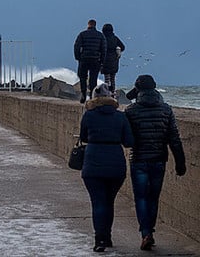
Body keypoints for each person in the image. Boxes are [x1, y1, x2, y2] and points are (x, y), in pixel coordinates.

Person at [124, 75, 186, 251]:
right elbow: (174, 138)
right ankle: (150, 229)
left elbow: (127, 139)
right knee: (153, 198)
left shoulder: (131, 110)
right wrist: (180, 162)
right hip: (159, 160)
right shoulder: (166, 109)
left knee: (141, 197)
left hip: (139, 160)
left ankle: (146, 233)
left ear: (138, 89)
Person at [79, 83, 134, 252]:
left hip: (93, 164)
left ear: (95, 98)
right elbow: (129, 142)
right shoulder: (120, 117)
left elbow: (83, 137)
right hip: (115, 165)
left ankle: (100, 240)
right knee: (109, 202)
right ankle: (107, 236)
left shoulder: (89, 115)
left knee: (98, 203)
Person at [74, 19, 107, 104]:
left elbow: (76, 46)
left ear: (88, 25)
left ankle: (83, 95)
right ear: (95, 25)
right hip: (95, 60)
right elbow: (103, 49)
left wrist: (78, 57)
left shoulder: (82, 34)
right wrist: (102, 61)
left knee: (82, 77)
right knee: (93, 79)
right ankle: (92, 96)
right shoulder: (100, 35)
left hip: (84, 59)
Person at [100, 24, 125, 94]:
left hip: (104, 61)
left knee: (106, 79)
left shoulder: (102, 38)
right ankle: (113, 93)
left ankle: (106, 93)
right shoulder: (115, 38)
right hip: (114, 61)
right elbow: (123, 47)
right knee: (113, 79)